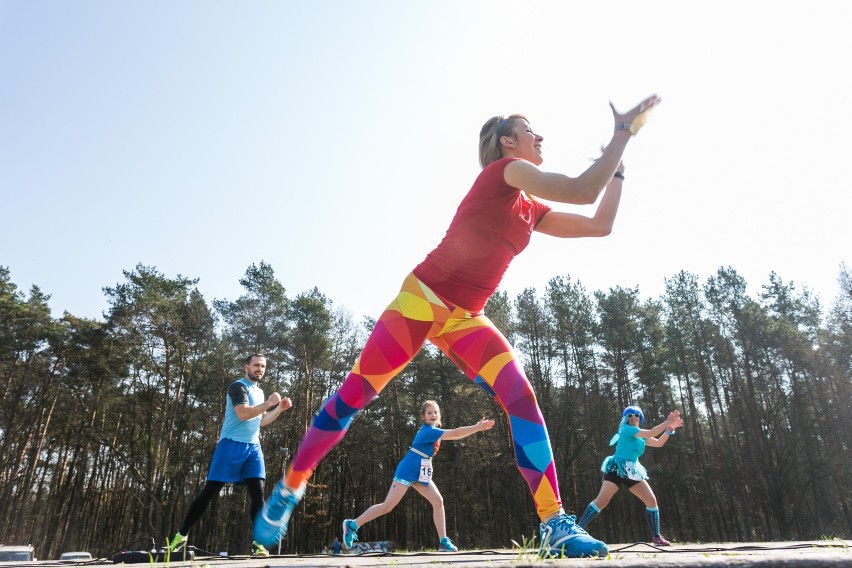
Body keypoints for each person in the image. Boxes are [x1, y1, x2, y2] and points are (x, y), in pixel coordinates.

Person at [254, 94, 661, 558]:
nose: (540, 136)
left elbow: (599, 224)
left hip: (466, 318)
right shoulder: (502, 174)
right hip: (422, 300)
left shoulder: (533, 209)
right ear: (508, 143)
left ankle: (555, 523)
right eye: (531, 131)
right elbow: (584, 189)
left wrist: (620, 165)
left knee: (522, 397)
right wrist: (622, 131)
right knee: (356, 395)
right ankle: (292, 484)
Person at [167, 353, 293, 557]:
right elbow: (243, 414)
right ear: (246, 366)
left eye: (263, 366)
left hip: (253, 448)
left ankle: (257, 544)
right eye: (256, 365)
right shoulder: (238, 387)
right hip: (230, 445)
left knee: (258, 493)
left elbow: (260, 421)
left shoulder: (260, 393)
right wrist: (270, 403)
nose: (260, 369)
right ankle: (181, 536)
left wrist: (278, 409)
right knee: (209, 492)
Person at [342, 400, 495, 552]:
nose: (433, 415)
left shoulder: (435, 431)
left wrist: (476, 428)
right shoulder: (428, 431)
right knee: (387, 506)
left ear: (439, 415)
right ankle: (352, 525)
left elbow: (453, 435)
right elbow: (455, 433)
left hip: (421, 472)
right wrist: (477, 428)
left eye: (435, 412)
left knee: (438, 501)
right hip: (408, 470)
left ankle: (443, 541)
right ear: (423, 416)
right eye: (429, 413)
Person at [577, 406, 683, 546]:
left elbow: (658, 443)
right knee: (602, 500)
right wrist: (667, 422)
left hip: (632, 471)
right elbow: (652, 432)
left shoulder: (641, 436)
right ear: (626, 419)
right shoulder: (628, 430)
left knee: (651, 501)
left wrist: (669, 429)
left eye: (636, 415)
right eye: (630, 415)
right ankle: (577, 531)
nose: (633, 417)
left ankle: (656, 537)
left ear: (640, 418)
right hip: (616, 469)